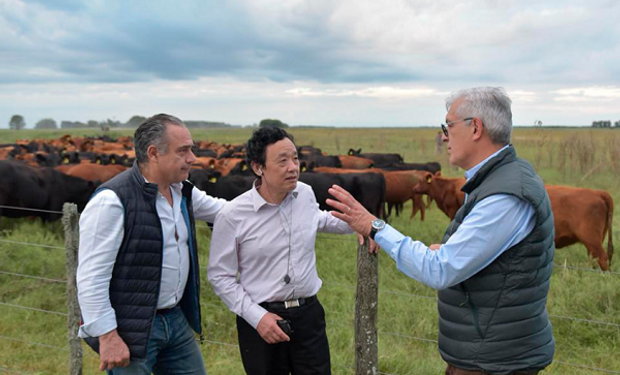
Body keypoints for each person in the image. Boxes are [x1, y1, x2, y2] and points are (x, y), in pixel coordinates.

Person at [326, 87, 555, 375]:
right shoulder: (498, 180)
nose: (444, 135)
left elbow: (439, 271)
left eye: (448, 125)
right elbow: (485, 257)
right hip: (488, 352)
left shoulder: (503, 196)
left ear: (475, 127)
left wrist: (375, 226)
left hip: (493, 362)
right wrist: (450, 252)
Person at [208, 127, 369, 375]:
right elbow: (220, 276)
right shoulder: (232, 215)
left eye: (295, 159)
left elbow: (319, 219)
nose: (293, 167)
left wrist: (363, 224)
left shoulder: (303, 194)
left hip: (308, 316)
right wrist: (258, 318)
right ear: (258, 167)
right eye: (282, 161)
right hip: (261, 319)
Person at [77, 114, 227, 374]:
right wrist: (107, 336)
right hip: (131, 328)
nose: (193, 158)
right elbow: (91, 277)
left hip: (175, 319)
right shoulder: (112, 201)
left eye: (191, 149)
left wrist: (275, 197)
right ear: (154, 153)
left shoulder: (183, 190)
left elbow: (226, 211)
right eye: (183, 150)